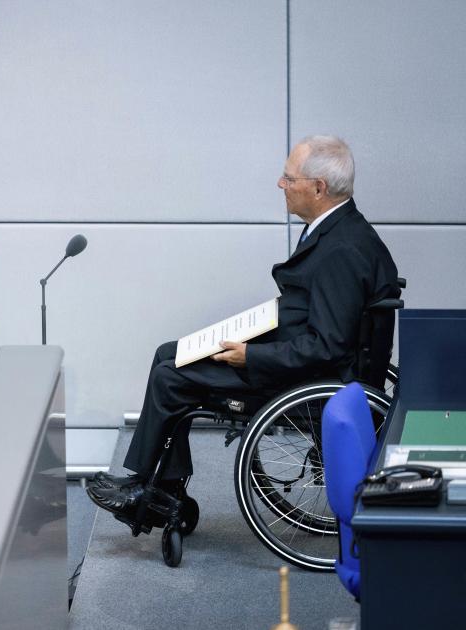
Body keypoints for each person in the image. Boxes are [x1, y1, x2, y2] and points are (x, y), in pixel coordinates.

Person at [87, 136, 399, 518]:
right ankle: (163, 492)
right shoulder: (341, 230)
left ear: (318, 188)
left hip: (309, 380)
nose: (280, 185)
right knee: (169, 353)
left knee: (172, 376)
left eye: (288, 178)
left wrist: (251, 354)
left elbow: (326, 347)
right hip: (300, 356)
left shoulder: (342, 251)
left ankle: (146, 493)